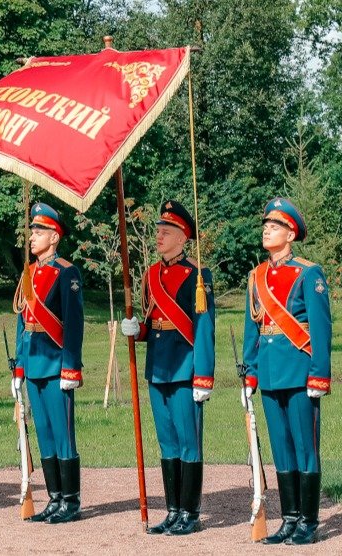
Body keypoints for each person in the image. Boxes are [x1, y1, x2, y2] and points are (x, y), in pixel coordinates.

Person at [121, 200, 215, 535]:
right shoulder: (151, 274)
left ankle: (190, 513)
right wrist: (138, 330)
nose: (158, 236)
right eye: (158, 230)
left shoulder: (197, 275)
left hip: (185, 367)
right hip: (157, 367)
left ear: (182, 236)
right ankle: (173, 510)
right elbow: (151, 321)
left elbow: (204, 329)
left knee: (188, 442)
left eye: (166, 231)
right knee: (167, 442)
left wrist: (203, 375)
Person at [242, 198, 331, 545]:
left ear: (291, 233)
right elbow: (253, 328)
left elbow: (321, 329)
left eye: (274, 226)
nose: (266, 230)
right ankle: (289, 519)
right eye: (265, 225)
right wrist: (250, 373)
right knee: (280, 448)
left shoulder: (309, 273)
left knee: (305, 448)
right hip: (269, 371)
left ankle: (308, 522)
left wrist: (319, 374)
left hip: (299, 371)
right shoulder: (257, 276)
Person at [11, 202, 84, 524]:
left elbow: (74, 323)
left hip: (56, 365)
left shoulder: (66, 272)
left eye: (38, 231)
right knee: (44, 433)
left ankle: (71, 501)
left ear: (54, 237)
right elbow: (22, 323)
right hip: (35, 362)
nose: (32, 237)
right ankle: (54, 499)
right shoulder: (29, 272)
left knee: (63, 434)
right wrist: (19, 366)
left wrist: (71, 367)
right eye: (32, 231)